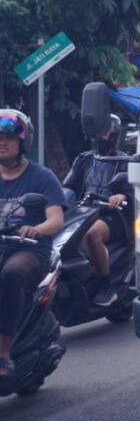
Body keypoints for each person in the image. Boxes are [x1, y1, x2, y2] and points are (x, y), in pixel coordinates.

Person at [0, 109, 65, 378]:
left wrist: (37, 229)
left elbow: (56, 219)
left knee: (11, 274)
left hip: (29, 250)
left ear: (23, 141)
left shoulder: (41, 176)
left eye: (8, 137)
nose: (2, 142)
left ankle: (3, 352)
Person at [63, 114, 130, 306]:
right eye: (96, 134)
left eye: (103, 133)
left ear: (113, 136)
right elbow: (68, 187)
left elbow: (130, 189)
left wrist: (120, 196)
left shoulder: (123, 160)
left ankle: (106, 285)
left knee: (92, 235)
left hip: (111, 215)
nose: (98, 138)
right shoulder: (83, 159)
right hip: (83, 213)